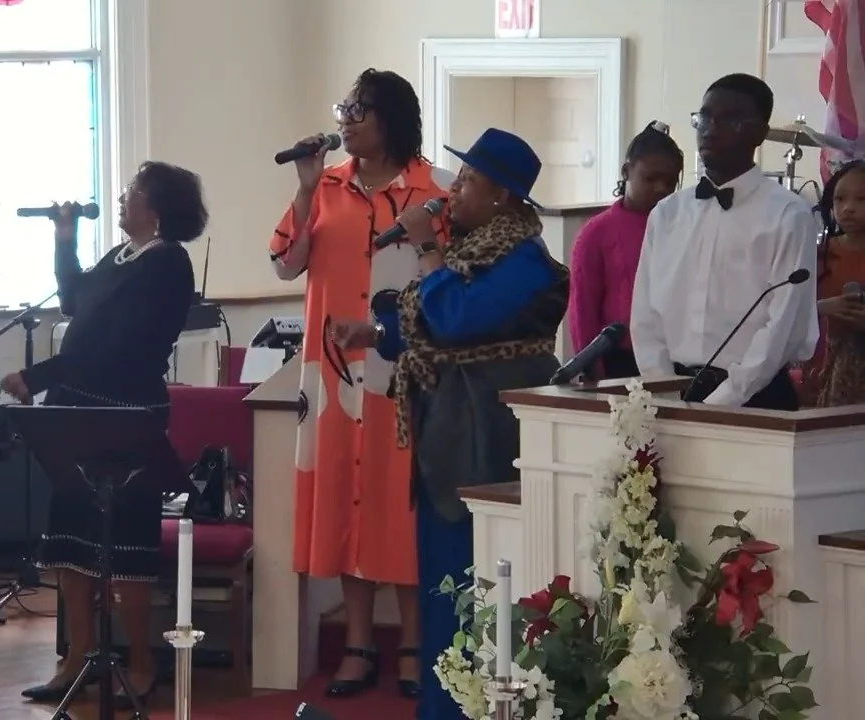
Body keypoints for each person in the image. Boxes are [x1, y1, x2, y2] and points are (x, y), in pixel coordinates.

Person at [330, 128, 568, 720]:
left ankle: (471, 707)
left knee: (472, 573)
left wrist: (426, 250)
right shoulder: (475, 251)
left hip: (486, 431)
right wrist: (379, 334)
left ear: (504, 198)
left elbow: (458, 321)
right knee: (442, 572)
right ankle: (441, 705)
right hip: (449, 422)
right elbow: (437, 330)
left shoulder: (525, 261)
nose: (452, 189)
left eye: (468, 180)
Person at [268, 68, 455, 700]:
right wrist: (301, 191)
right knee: (343, 499)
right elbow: (284, 262)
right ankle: (356, 644)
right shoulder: (324, 187)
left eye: (359, 110)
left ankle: (410, 644)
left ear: (392, 120)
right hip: (332, 380)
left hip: (401, 377)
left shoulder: (436, 192)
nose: (345, 119)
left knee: (397, 505)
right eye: (343, 107)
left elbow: (449, 283)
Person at [0, 161, 205, 708]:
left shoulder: (167, 264)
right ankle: (77, 658)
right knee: (69, 539)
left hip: (124, 414)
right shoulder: (122, 256)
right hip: (75, 412)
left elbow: (113, 344)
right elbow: (73, 303)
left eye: (132, 190)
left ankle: (140, 662)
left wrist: (40, 377)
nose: (120, 196)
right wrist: (65, 241)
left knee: (126, 544)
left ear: (155, 207)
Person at [631, 73, 819, 409]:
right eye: (704, 118)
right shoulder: (667, 214)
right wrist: (662, 387)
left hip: (754, 397)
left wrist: (722, 401)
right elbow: (645, 314)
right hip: (671, 394)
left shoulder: (788, 215)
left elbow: (782, 324)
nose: (710, 129)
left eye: (729, 120)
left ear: (760, 133)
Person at [567, 121, 683, 379]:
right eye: (650, 178)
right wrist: (590, 368)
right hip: (621, 359)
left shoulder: (685, 225)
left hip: (679, 357)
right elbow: (582, 309)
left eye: (670, 181)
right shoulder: (597, 232)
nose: (661, 189)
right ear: (626, 171)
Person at [811, 160, 865, 406]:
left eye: (861, 200)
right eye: (839, 199)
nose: (848, 209)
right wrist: (824, 307)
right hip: (819, 375)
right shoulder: (818, 254)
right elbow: (787, 311)